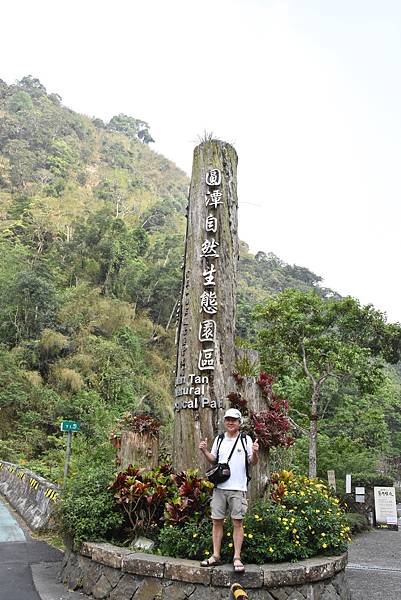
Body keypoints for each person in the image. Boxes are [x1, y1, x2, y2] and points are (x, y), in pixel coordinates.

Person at [199, 408, 259, 573]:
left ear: (239, 423)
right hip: (219, 488)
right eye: (228, 420)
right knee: (216, 521)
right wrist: (204, 451)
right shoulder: (219, 439)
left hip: (238, 488)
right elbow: (214, 460)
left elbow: (252, 462)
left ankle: (237, 557)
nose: (230, 422)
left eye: (234, 420)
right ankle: (216, 556)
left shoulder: (245, 439)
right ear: (224, 422)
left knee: (237, 522)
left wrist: (254, 453)